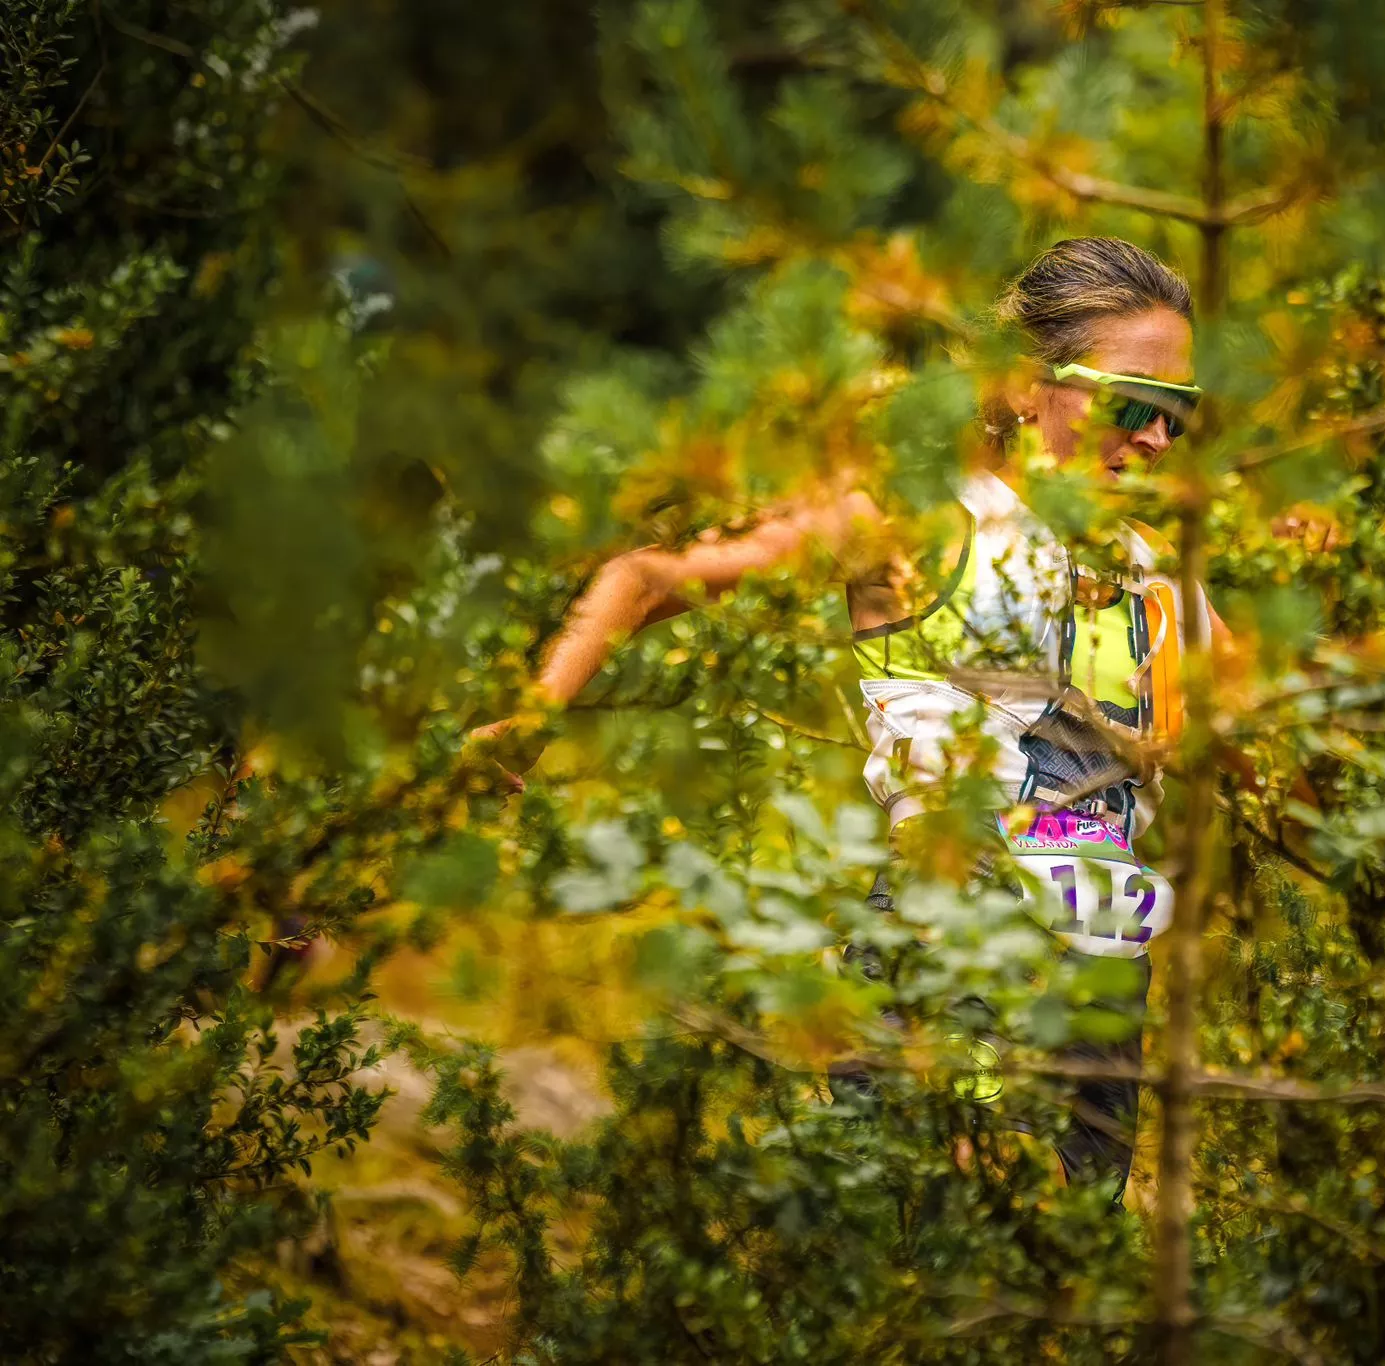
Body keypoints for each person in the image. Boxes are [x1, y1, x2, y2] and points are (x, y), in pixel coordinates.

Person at [474, 237, 1224, 1198]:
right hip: (949, 945)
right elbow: (648, 577)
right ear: (1023, 387)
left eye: (1178, 412)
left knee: (1057, 1297)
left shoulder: (1156, 575)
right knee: (930, 1261)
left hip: (1106, 981)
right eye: (1130, 400)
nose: (1156, 436)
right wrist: (533, 719)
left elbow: (1281, 725)